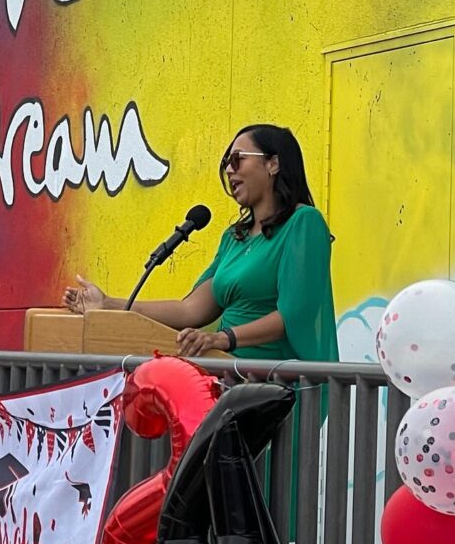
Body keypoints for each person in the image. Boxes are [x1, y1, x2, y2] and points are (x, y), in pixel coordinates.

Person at [64, 124, 338, 364]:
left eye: (237, 159)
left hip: (273, 386)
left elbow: (293, 315)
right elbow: (190, 310)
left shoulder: (303, 223)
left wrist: (223, 339)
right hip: (226, 374)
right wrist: (108, 304)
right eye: (226, 163)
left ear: (272, 164)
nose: (230, 170)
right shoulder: (234, 238)